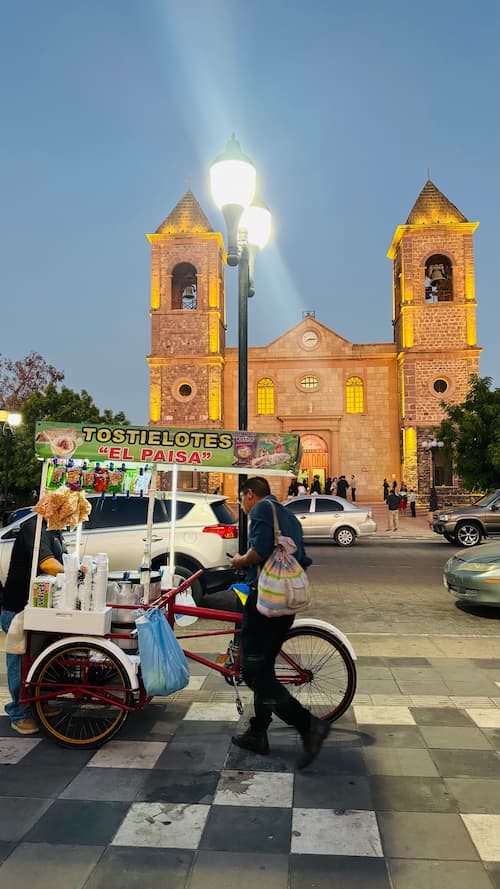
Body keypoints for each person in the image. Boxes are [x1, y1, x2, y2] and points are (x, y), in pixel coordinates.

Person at [228, 476, 330, 770]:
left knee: (252, 672)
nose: (243, 507)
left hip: (263, 604)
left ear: (250, 495)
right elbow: (304, 558)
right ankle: (258, 732)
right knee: (264, 668)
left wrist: (240, 561)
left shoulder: (261, 510)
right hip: (285, 605)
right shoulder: (288, 515)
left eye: (241, 501)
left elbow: (258, 551)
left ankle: (308, 725)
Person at [1, 516, 65, 734]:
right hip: (18, 609)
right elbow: (47, 563)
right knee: (20, 661)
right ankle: (19, 713)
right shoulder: (35, 528)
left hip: (38, 608)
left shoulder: (56, 530)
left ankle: (39, 703)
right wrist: (74, 574)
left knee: (39, 659)